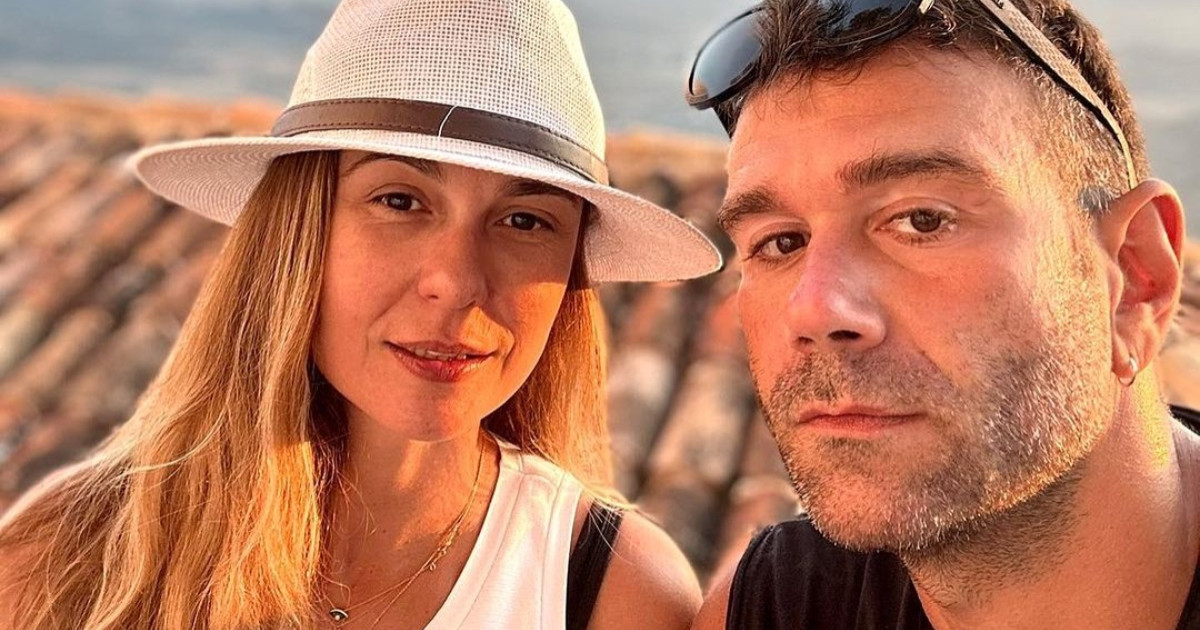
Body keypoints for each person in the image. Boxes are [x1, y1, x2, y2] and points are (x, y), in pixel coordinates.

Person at [0, 0, 723, 628]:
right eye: (400, 201)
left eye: (526, 220)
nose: (455, 283)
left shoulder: (615, 593)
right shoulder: (67, 557)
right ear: (297, 234)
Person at [682, 0, 1200, 628]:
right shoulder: (775, 607)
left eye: (922, 220)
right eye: (781, 242)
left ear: (1135, 279)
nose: (815, 309)